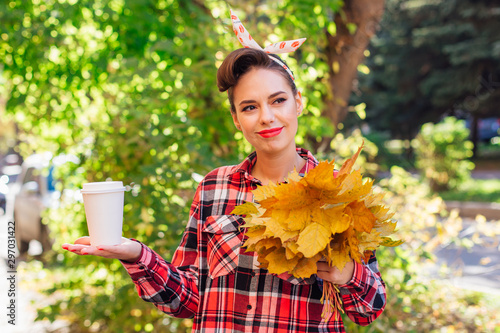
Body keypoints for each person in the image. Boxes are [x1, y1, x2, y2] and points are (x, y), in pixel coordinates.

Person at [63, 11, 386, 332]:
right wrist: (134, 254)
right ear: (236, 118)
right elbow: (187, 299)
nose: (266, 117)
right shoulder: (215, 187)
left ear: (297, 103)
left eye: (278, 101)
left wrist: (347, 275)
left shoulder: (338, 192)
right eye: (250, 107)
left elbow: (367, 311)